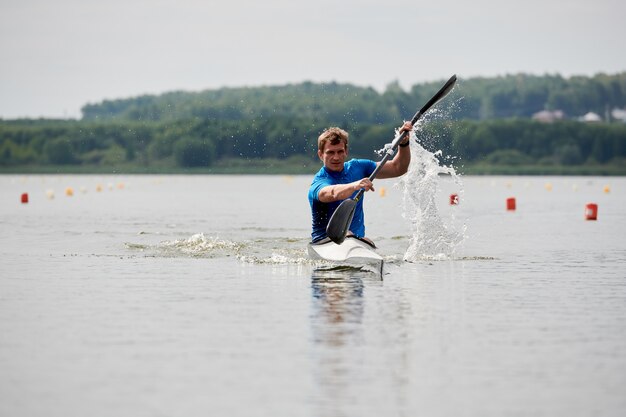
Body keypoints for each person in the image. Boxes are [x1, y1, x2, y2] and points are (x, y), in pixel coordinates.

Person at [308, 121, 413, 244]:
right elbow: (331, 193)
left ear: (346, 151)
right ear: (320, 154)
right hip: (325, 242)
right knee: (349, 235)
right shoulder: (319, 181)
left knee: (369, 242)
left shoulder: (358, 167)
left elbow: (398, 168)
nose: (336, 157)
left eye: (340, 151)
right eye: (330, 152)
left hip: (357, 241)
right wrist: (355, 185)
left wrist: (404, 144)